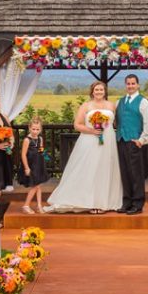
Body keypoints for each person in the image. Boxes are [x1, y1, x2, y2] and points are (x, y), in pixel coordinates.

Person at [46, 81, 122, 214]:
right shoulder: (86, 105)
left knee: (104, 169)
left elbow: (116, 123)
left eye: (101, 90)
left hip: (108, 141)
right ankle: (88, 201)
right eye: (96, 90)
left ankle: (103, 202)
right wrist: (92, 131)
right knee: (89, 168)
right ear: (92, 91)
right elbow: (77, 125)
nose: (99, 92)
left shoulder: (112, 105)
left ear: (105, 91)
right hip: (89, 140)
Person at [114, 74, 148, 215]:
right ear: (125, 85)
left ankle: (137, 203)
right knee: (124, 174)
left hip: (134, 142)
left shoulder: (144, 102)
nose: (130, 86)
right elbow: (116, 121)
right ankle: (127, 202)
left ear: (138, 85)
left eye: (133, 83)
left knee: (136, 174)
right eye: (128, 83)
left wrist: (142, 140)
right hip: (121, 140)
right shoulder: (119, 102)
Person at [20, 116, 51, 214]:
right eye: (33, 129)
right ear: (29, 128)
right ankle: (26, 205)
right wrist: (26, 168)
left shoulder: (40, 138)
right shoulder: (27, 140)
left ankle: (39, 205)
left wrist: (45, 156)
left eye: (37, 129)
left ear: (40, 129)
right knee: (35, 186)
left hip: (39, 164)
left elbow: (41, 149)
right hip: (31, 165)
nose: (35, 131)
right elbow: (23, 154)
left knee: (38, 186)